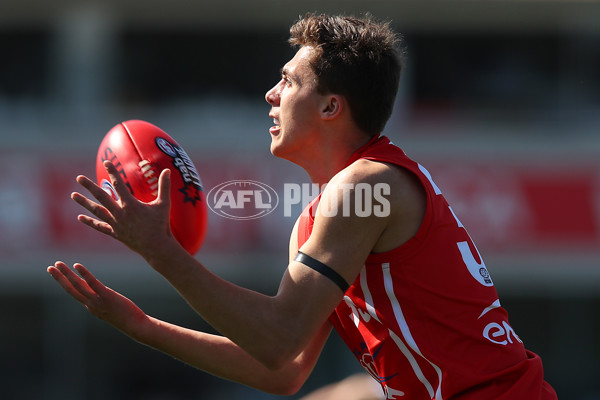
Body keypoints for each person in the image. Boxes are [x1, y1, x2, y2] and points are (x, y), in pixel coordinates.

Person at [48, 13, 558, 399]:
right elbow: (284, 368)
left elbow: (276, 338)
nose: (271, 94)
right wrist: (142, 326)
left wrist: (162, 252)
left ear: (331, 106)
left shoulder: (366, 188)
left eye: (289, 81)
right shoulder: (320, 215)